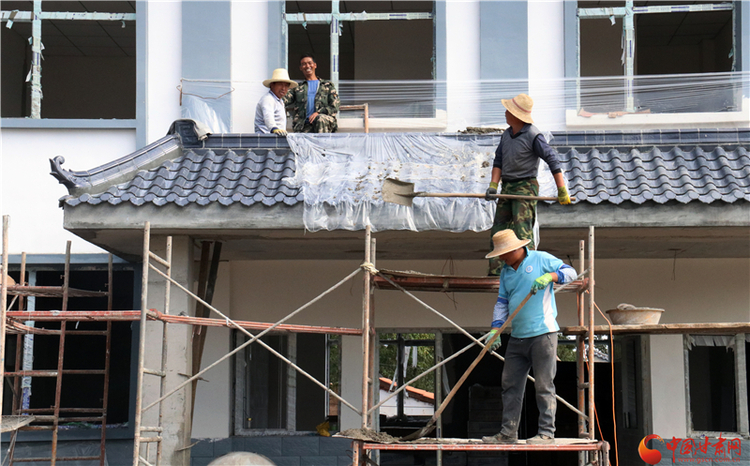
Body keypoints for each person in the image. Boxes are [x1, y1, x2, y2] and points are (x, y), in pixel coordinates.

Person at [481, 229, 577, 445]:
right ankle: (508, 433)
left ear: (517, 248)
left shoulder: (540, 258)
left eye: (504, 253)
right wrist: (496, 329)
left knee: (544, 385)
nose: (502, 257)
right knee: (510, 385)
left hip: (543, 334)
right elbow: (502, 302)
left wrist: (550, 276)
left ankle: (546, 433)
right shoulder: (506, 272)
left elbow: (571, 273)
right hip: (517, 337)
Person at [485, 93, 571, 276]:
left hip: (525, 186)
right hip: (507, 186)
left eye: (508, 110)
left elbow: (552, 159)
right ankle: (497, 270)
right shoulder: (506, 135)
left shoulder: (533, 135)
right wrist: (493, 185)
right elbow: (498, 161)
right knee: (499, 228)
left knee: (522, 229)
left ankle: (527, 271)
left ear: (516, 115)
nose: (505, 113)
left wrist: (561, 188)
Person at [284, 53, 339, 133]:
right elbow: (283, 99)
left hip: (324, 123)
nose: (307, 66)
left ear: (315, 65)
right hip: (303, 125)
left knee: (320, 119)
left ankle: (321, 145)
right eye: (304, 64)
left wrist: (318, 112)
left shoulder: (327, 85)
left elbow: (334, 107)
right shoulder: (298, 88)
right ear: (300, 68)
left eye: (310, 63)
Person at [254, 68, 297, 135]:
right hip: (265, 138)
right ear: (272, 85)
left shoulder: (279, 101)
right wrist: (274, 129)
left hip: (273, 138)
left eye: (286, 85)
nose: (283, 88)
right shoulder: (268, 99)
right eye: (280, 84)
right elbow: (268, 116)